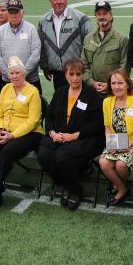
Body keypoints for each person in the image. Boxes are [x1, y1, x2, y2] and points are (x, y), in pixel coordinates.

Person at [37, 57, 104, 210]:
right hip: (59, 136)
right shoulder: (60, 92)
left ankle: (76, 190)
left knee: (62, 157)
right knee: (43, 155)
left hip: (84, 138)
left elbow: (97, 124)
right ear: (66, 75)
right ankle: (65, 184)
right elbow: (49, 116)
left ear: (83, 75)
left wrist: (73, 136)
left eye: (78, 74)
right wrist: (53, 133)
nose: (75, 78)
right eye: (71, 74)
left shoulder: (91, 95)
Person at [0, 56, 43, 208]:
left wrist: (12, 135)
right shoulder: (6, 89)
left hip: (30, 134)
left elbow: (33, 121)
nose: (13, 76)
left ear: (23, 74)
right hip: (5, 130)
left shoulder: (32, 92)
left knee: (8, 150)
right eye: (11, 73)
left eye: (17, 73)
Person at [98, 69, 133, 207]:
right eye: (113, 83)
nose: (116, 87)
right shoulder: (107, 102)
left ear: (128, 84)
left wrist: (127, 144)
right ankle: (122, 187)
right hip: (116, 141)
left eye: (120, 83)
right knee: (104, 163)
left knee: (121, 164)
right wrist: (113, 144)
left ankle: (119, 186)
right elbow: (107, 128)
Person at [39, 0, 88, 91]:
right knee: (61, 102)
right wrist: (44, 66)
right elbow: (42, 46)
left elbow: (88, 45)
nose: (58, 2)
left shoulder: (80, 18)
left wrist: (86, 68)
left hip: (77, 72)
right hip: (57, 73)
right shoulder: (43, 21)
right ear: (50, 1)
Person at [0, 0, 41, 97]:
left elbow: (35, 54)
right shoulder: (0, 31)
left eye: (16, 12)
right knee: (9, 109)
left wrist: (22, 74)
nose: (13, 15)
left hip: (30, 80)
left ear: (23, 13)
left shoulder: (31, 29)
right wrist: (10, 75)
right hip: (8, 81)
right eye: (10, 12)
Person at [82, 0, 128, 96]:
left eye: (105, 13)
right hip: (92, 91)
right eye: (99, 14)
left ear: (111, 16)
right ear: (96, 17)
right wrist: (92, 83)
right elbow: (84, 65)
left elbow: (124, 67)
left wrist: (110, 84)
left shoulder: (121, 39)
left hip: (114, 92)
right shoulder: (88, 38)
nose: (102, 17)